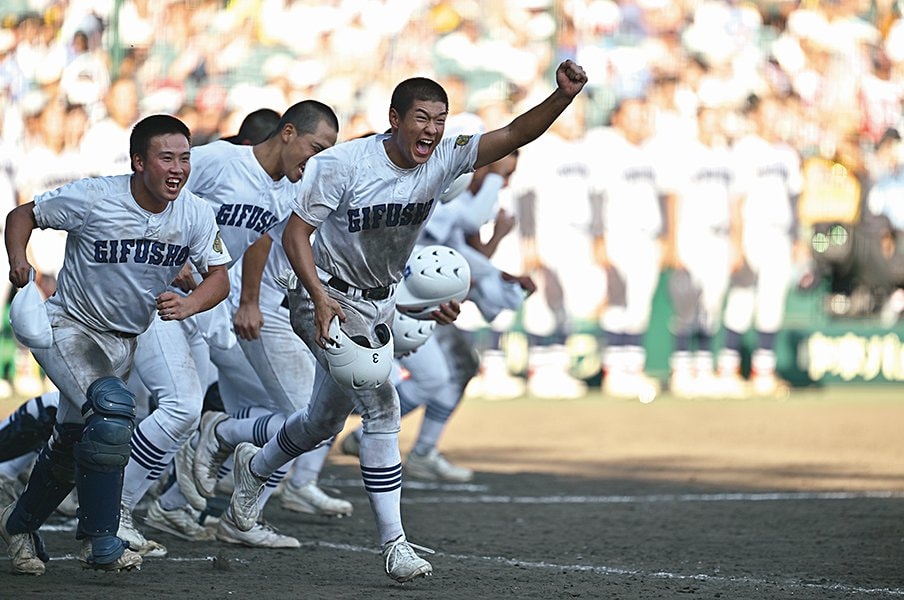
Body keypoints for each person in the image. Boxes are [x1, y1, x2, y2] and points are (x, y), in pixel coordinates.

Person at [225, 59, 587, 583]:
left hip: (379, 301)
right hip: (324, 295)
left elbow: (512, 135)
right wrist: (319, 299)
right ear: (394, 119)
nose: (432, 130)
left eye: (440, 119)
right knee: (382, 405)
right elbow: (295, 233)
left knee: (323, 422)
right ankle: (395, 545)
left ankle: (255, 466)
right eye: (422, 118)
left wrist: (563, 98)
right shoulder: (344, 164)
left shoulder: (443, 158)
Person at [0, 114, 231, 575]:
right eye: (166, 158)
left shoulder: (196, 213)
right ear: (138, 162)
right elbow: (22, 214)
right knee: (111, 414)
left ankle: (19, 525)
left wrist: (189, 304)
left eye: (184, 158)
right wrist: (18, 260)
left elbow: (219, 278)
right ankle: (103, 539)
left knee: (71, 443)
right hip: (71, 327)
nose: (178, 169)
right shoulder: (94, 197)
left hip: (125, 340)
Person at [116, 100, 339, 555]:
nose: (316, 160)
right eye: (316, 148)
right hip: (158, 296)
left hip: (207, 304)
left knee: (190, 414)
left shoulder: (288, 189)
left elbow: (259, 238)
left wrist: (249, 300)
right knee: (167, 408)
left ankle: (170, 502)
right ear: (288, 132)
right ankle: (101, 505)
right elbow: (153, 191)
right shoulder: (221, 159)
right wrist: (168, 251)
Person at [340, 151, 534, 482]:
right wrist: (492, 176)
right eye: (503, 172)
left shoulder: (462, 199)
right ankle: (364, 433)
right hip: (391, 298)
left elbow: (460, 258)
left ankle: (416, 447)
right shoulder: (439, 191)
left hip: (418, 301)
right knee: (426, 377)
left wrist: (498, 271)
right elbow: (466, 230)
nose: (504, 182)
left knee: (457, 368)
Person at [716, 94, 803, 397]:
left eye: (778, 114)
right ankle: (727, 370)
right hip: (753, 232)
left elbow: (795, 201)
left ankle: (763, 372)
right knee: (742, 300)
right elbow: (736, 200)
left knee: (772, 303)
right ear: (757, 116)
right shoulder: (747, 148)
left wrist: (798, 238)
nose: (775, 120)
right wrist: (736, 243)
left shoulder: (788, 154)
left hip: (780, 235)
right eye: (769, 113)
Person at [587, 94, 665, 402]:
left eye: (642, 115)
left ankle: (632, 369)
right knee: (618, 303)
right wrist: (599, 240)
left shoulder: (651, 150)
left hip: (648, 237)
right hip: (618, 234)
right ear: (617, 118)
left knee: (639, 306)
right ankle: (615, 371)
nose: (639, 121)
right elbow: (596, 196)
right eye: (632, 115)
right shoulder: (607, 147)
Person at [660, 105, 741, 398]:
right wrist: (672, 243)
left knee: (712, 306)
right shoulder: (686, 153)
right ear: (698, 121)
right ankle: (681, 370)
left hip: (720, 238)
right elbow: (673, 199)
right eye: (708, 119)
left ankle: (704, 369)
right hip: (692, 235)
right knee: (687, 306)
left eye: (717, 118)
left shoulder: (727, 155)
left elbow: (735, 202)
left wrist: (736, 243)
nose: (713, 124)